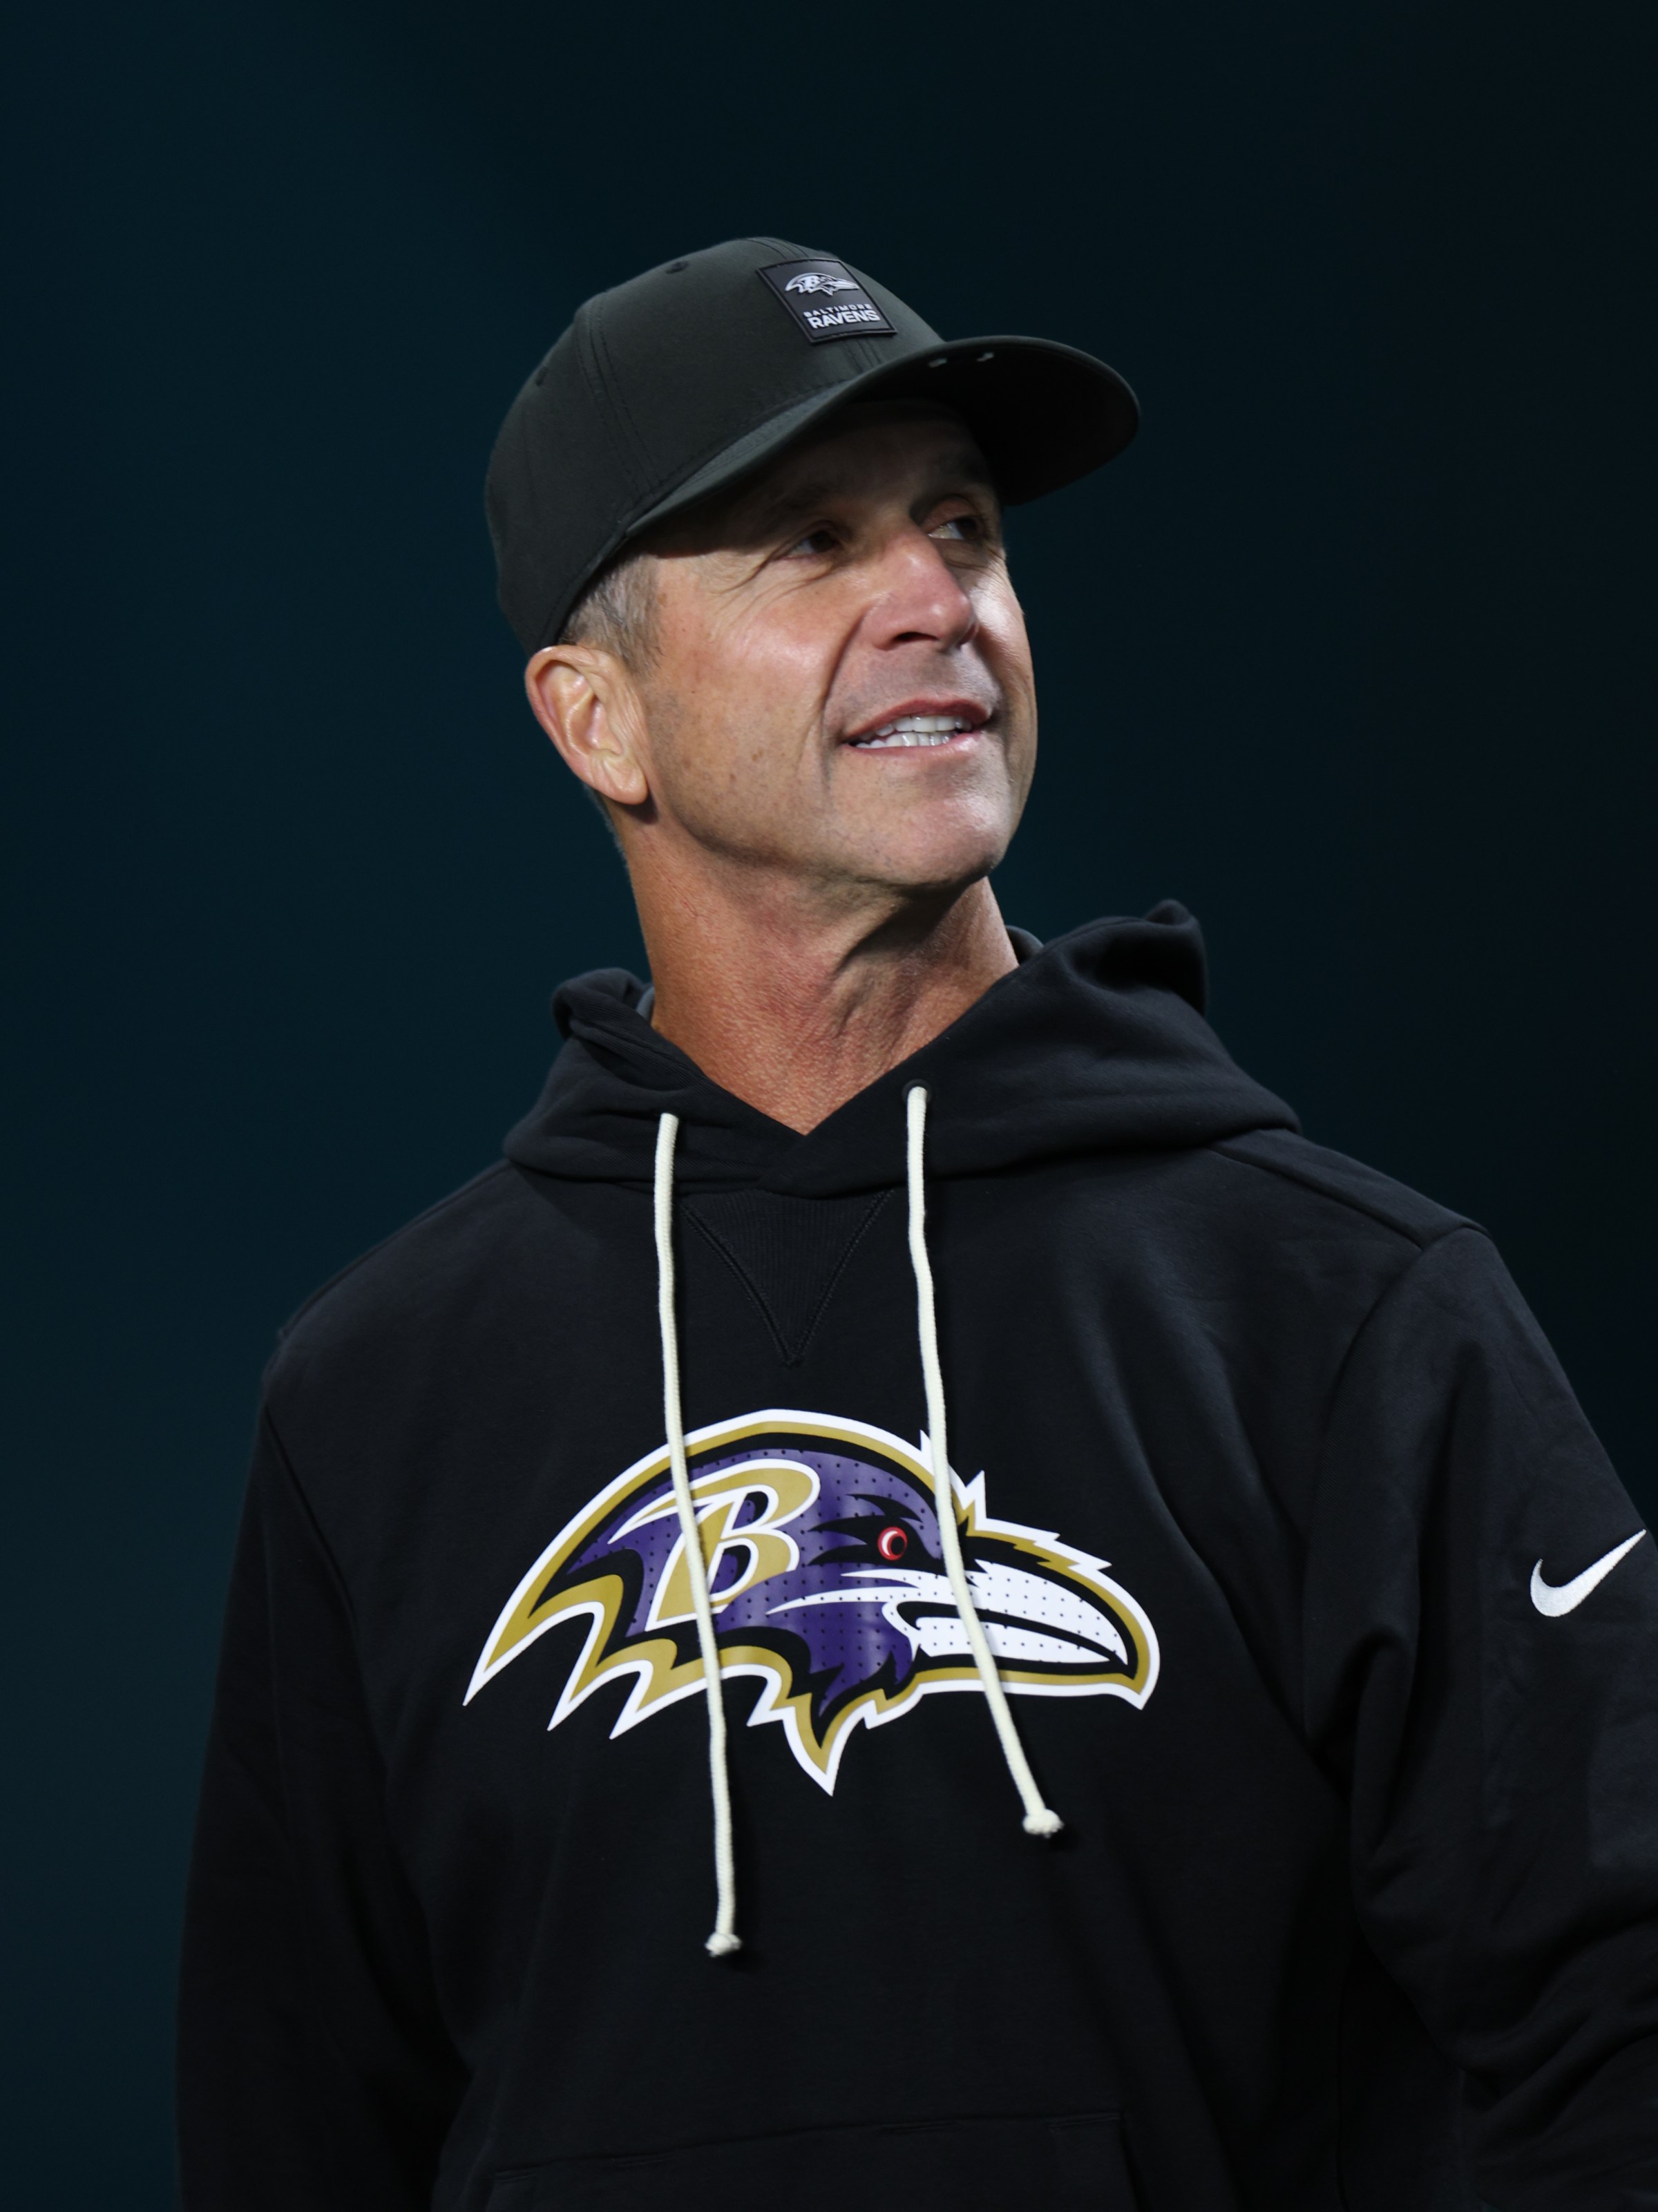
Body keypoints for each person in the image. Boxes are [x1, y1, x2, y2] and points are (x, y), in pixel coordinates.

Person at [177, 238, 1658, 2212]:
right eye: (812, 541)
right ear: (595, 719)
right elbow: (294, 2137)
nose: (937, 602)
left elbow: (1620, 2034)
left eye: (962, 528)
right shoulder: (372, 1403)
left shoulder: (1346, 1312)